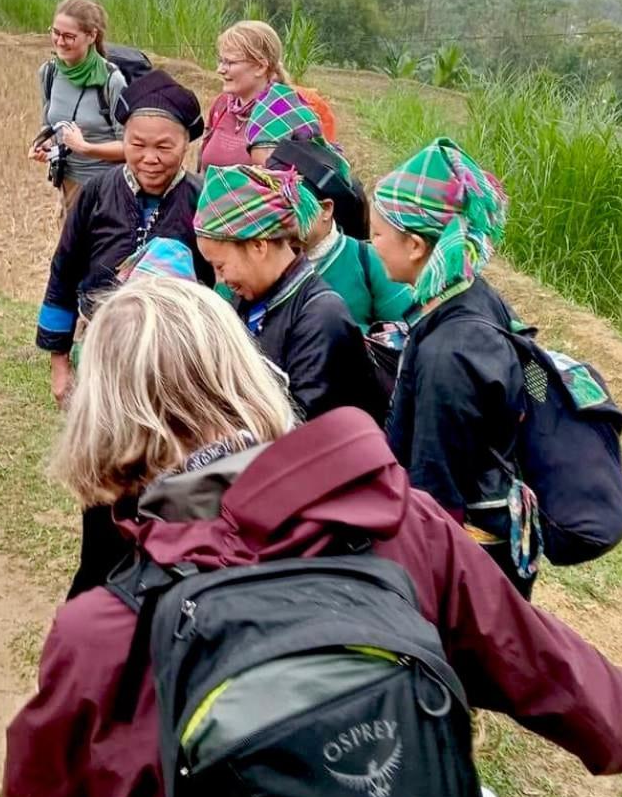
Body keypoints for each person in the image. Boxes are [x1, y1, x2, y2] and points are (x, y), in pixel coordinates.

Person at [2, 278, 622, 797]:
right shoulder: (403, 524)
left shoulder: (103, 627)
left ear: (98, 419)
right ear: (246, 373)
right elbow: (538, 664)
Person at [370, 137, 536, 595]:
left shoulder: (451, 349)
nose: (373, 245)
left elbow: (436, 486)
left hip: (471, 554)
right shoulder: (467, 294)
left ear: (416, 245)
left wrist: (419, 576)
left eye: (379, 234)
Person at [37, 69, 213, 413]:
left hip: (175, 357)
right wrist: (60, 365)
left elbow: (218, 284)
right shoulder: (97, 192)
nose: (150, 158)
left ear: (186, 143)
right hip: (100, 343)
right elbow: (64, 271)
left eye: (164, 146)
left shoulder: (203, 200)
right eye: (136, 144)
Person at [193, 163, 387, 424]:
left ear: (259, 245)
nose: (221, 279)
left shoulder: (321, 316)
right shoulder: (247, 301)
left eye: (220, 266)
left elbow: (305, 428)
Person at [268, 136, 414, 331]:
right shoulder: (257, 256)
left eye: (290, 209)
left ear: (326, 210)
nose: (278, 220)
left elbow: (412, 327)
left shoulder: (368, 261)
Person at [29, 0, 127, 213]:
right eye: (55, 32)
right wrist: (45, 146)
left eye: (69, 36)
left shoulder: (112, 80)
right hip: (66, 186)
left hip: (105, 193)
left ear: (91, 36)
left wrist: (86, 148)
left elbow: (129, 146)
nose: (60, 42)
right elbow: (50, 127)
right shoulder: (49, 73)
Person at [200, 20, 292, 169]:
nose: (220, 69)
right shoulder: (222, 105)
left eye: (230, 62)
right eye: (221, 61)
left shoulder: (283, 113)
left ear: (260, 67)